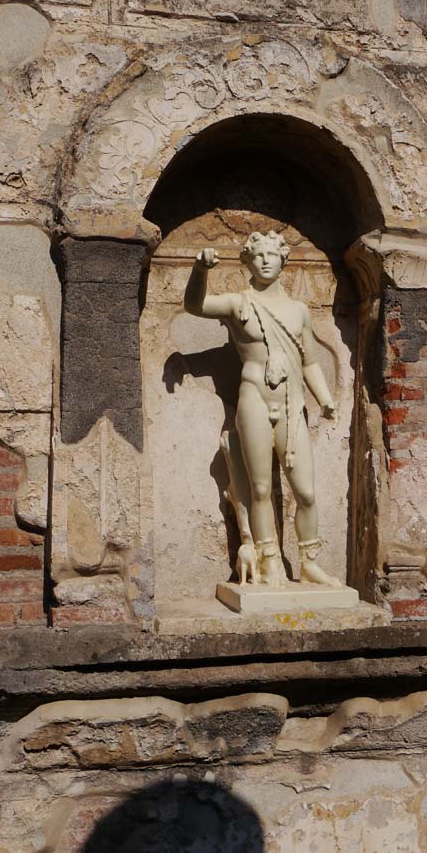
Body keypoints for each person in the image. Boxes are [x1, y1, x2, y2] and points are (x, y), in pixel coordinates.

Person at [184, 230, 340, 587]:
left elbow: (309, 362)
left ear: (284, 260)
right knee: (259, 489)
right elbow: (195, 305)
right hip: (254, 397)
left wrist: (325, 398)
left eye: (273, 254)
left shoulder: (298, 311)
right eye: (258, 255)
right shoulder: (239, 304)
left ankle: (309, 563)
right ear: (247, 262)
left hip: (292, 403)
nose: (266, 260)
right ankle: (269, 561)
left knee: (306, 492)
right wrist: (200, 270)